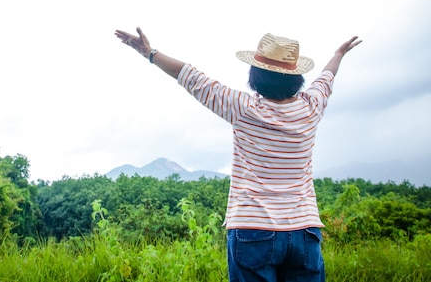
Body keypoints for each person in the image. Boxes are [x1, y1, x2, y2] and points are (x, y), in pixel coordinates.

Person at [114, 27, 361, 282]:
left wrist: (150, 53)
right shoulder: (310, 109)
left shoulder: (242, 108)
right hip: (303, 231)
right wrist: (338, 54)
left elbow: (192, 77)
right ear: (296, 76)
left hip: (252, 230)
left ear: (256, 76)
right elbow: (326, 78)